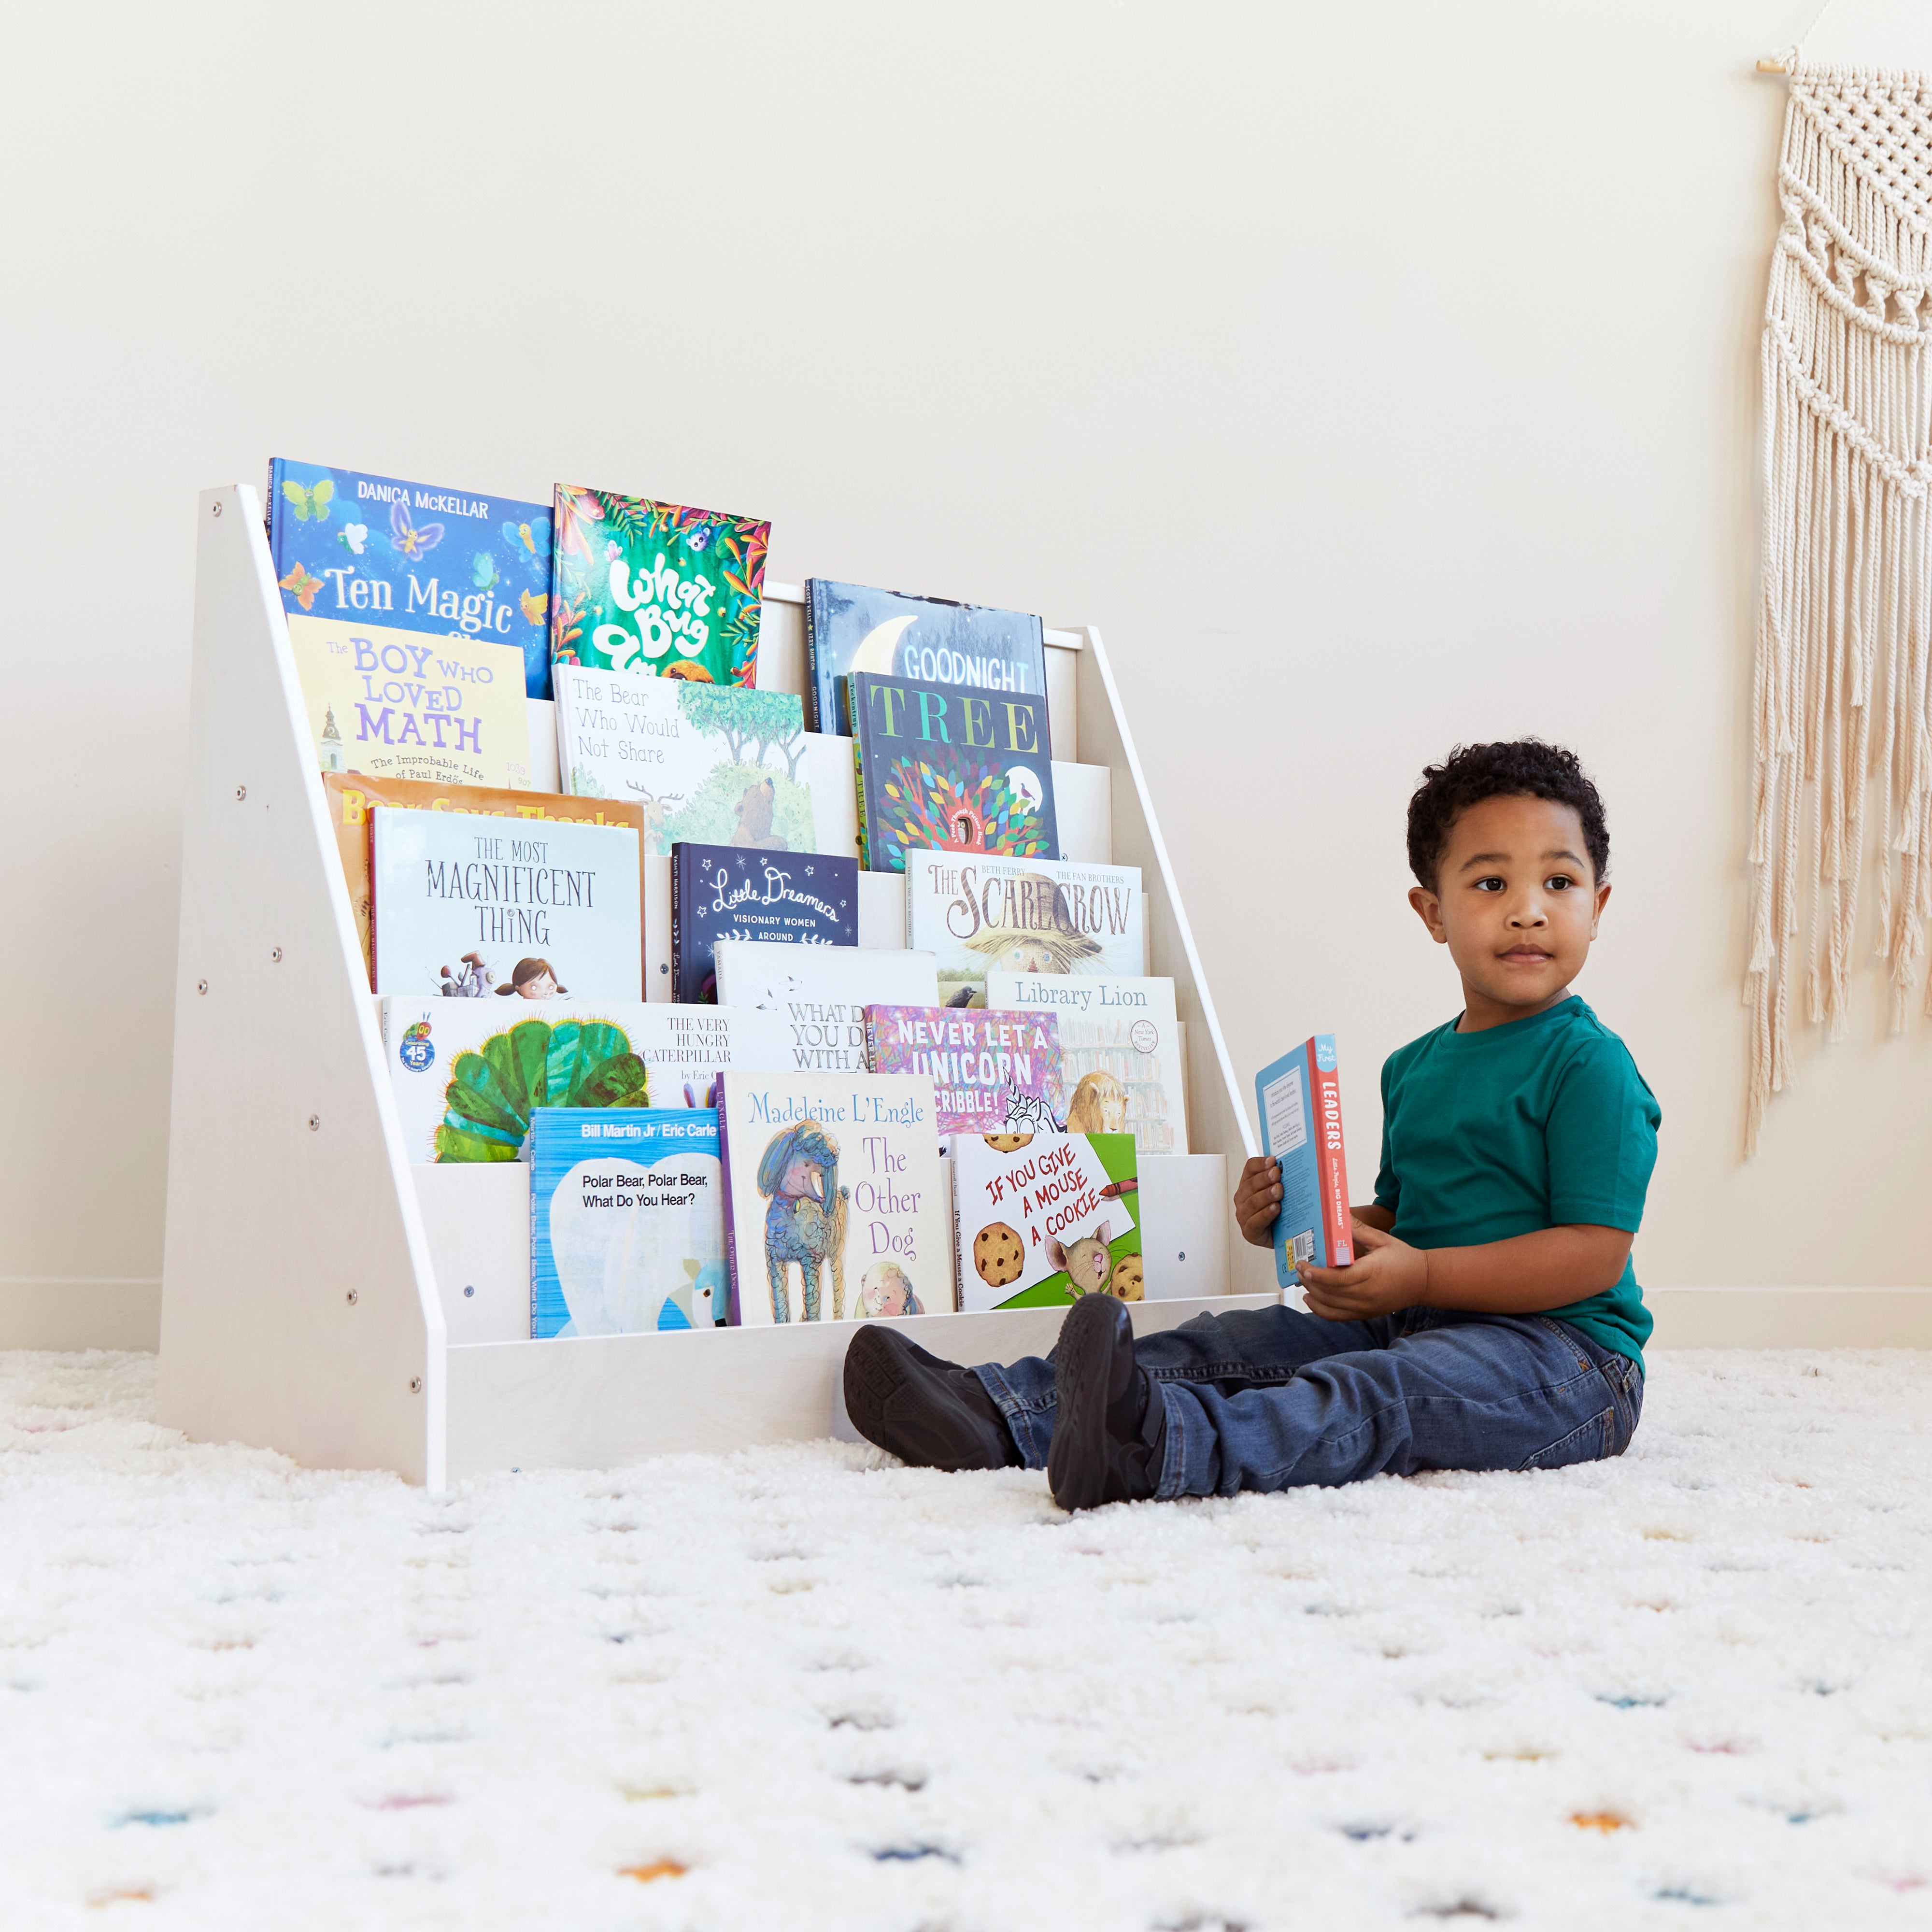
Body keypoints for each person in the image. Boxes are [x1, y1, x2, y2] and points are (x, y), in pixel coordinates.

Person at [843, 740, 1659, 1512]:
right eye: (1491, 885)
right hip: (1419, 1315)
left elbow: (1593, 1253)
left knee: (1379, 1390)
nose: (1528, 913)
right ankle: (1002, 1409)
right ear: (1432, 911)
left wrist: (1423, 1279)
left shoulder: (1589, 1066)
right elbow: (1413, 1221)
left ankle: (1158, 1453)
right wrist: (1305, 1220)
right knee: (1230, 1341)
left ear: (1601, 905)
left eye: (1560, 883)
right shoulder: (1415, 1068)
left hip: (1566, 1362)